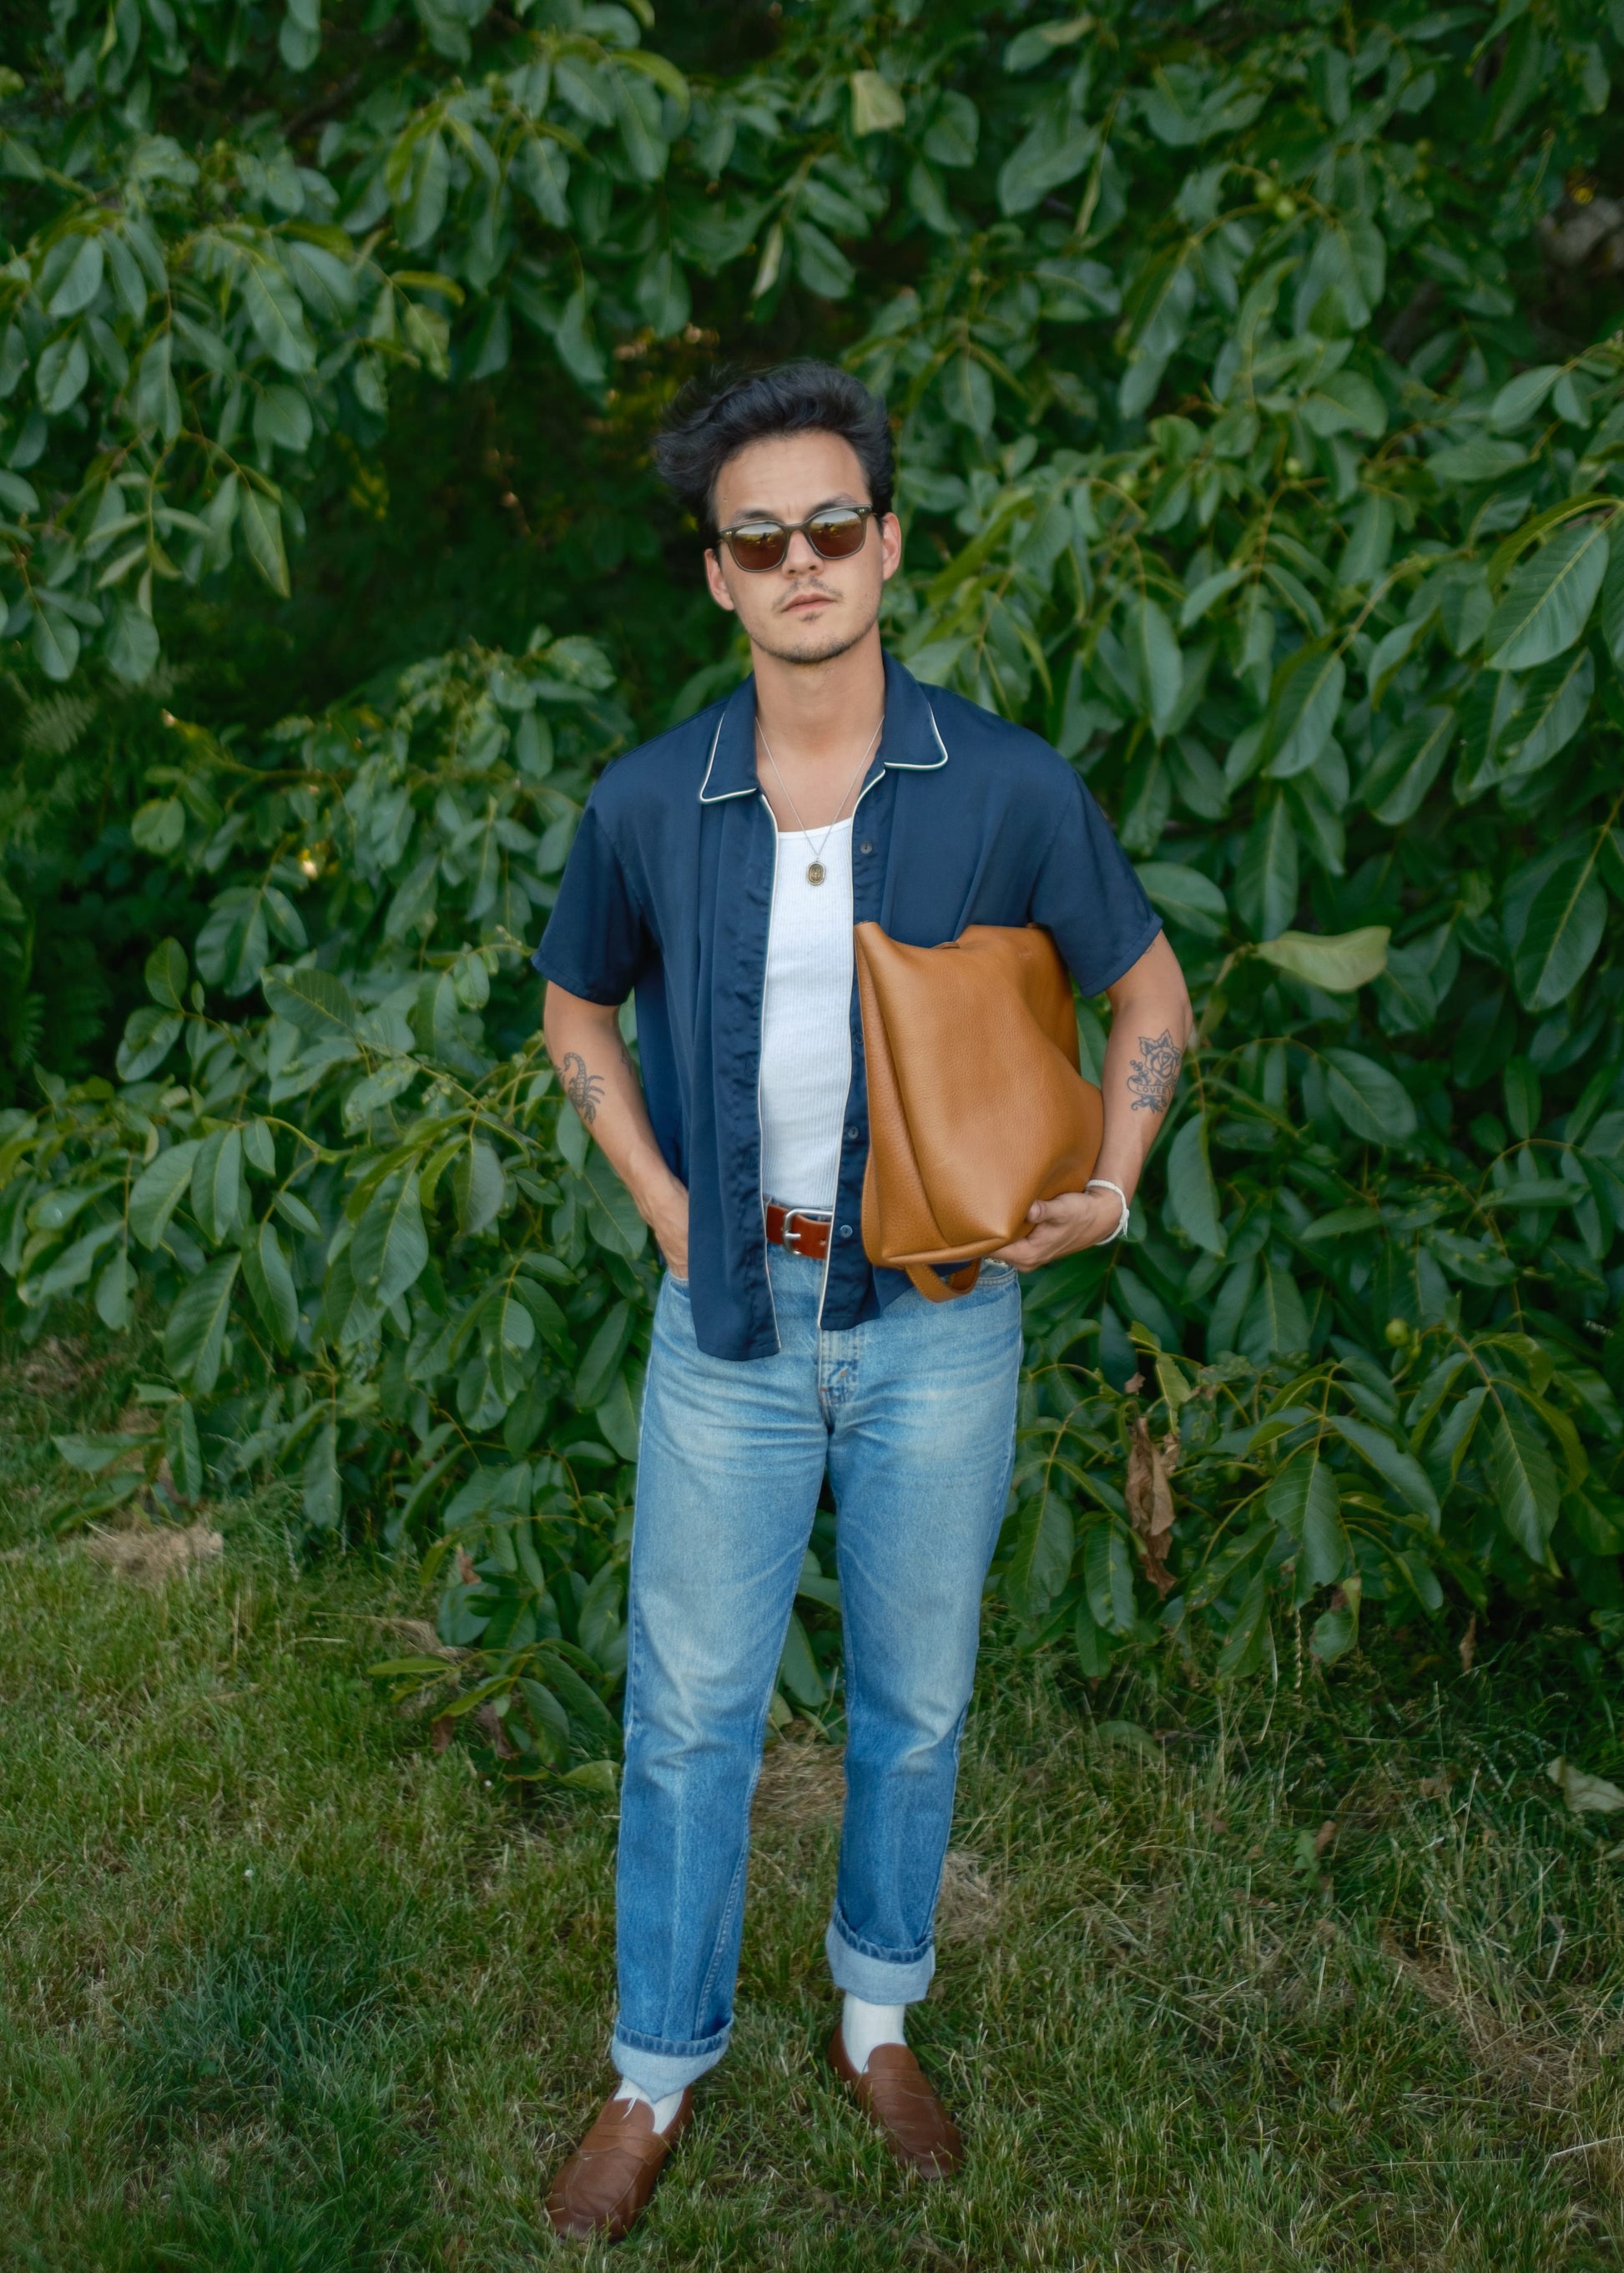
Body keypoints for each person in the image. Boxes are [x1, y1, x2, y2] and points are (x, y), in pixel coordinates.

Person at [535, 361, 1193, 2241]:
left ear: (887, 548)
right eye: (763, 537)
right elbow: (577, 1005)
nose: (804, 559)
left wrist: (1113, 1182)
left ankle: (876, 2016)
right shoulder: (652, 799)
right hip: (730, 1330)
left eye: (836, 524)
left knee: (912, 1701)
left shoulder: (1002, 783)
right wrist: (662, 1201)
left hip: (940, 1329)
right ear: (720, 580)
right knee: (688, 1713)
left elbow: (1147, 999)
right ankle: (654, 2071)